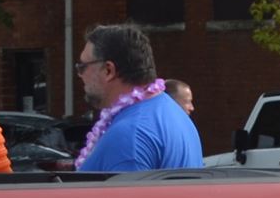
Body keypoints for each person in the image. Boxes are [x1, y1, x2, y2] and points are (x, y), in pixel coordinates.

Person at [72, 24, 203, 170]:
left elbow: (126, 193)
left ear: (108, 70)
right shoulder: (174, 113)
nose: (80, 75)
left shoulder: (129, 135)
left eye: (83, 67)